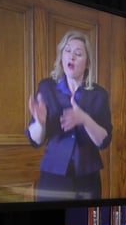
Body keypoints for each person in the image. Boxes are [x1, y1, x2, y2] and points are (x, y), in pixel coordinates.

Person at [26, 30, 112, 202]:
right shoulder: (47, 87)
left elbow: (104, 141)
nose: (71, 56)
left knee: (86, 219)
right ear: (61, 57)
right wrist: (40, 124)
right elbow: (35, 140)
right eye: (67, 51)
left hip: (87, 178)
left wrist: (84, 119)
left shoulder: (99, 94)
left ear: (87, 64)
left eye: (78, 53)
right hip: (53, 177)